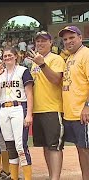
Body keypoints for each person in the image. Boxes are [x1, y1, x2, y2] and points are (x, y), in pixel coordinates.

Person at [0, 47, 34, 180]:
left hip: (19, 107)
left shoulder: (23, 71)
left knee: (20, 145)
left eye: (10, 55)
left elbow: (29, 93)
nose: (7, 58)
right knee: (10, 145)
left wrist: (29, 114)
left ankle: (27, 178)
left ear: (16, 56)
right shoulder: (0, 73)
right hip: (4, 109)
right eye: (5, 56)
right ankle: (14, 177)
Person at [28, 31, 65, 180]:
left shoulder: (56, 59)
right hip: (38, 109)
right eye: (38, 41)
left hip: (52, 108)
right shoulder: (34, 62)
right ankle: (51, 176)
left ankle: (55, 178)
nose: (40, 43)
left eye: (44, 41)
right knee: (44, 145)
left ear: (51, 43)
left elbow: (56, 80)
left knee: (54, 146)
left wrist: (42, 64)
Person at [59, 25, 89, 179]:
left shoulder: (86, 54)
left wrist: (87, 106)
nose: (68, 41)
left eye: (72, 38)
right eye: (65, 39)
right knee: (81, 148)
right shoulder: (70, 57)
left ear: (80, 38)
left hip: (83, 113)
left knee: (85, 149)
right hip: (71, 113)